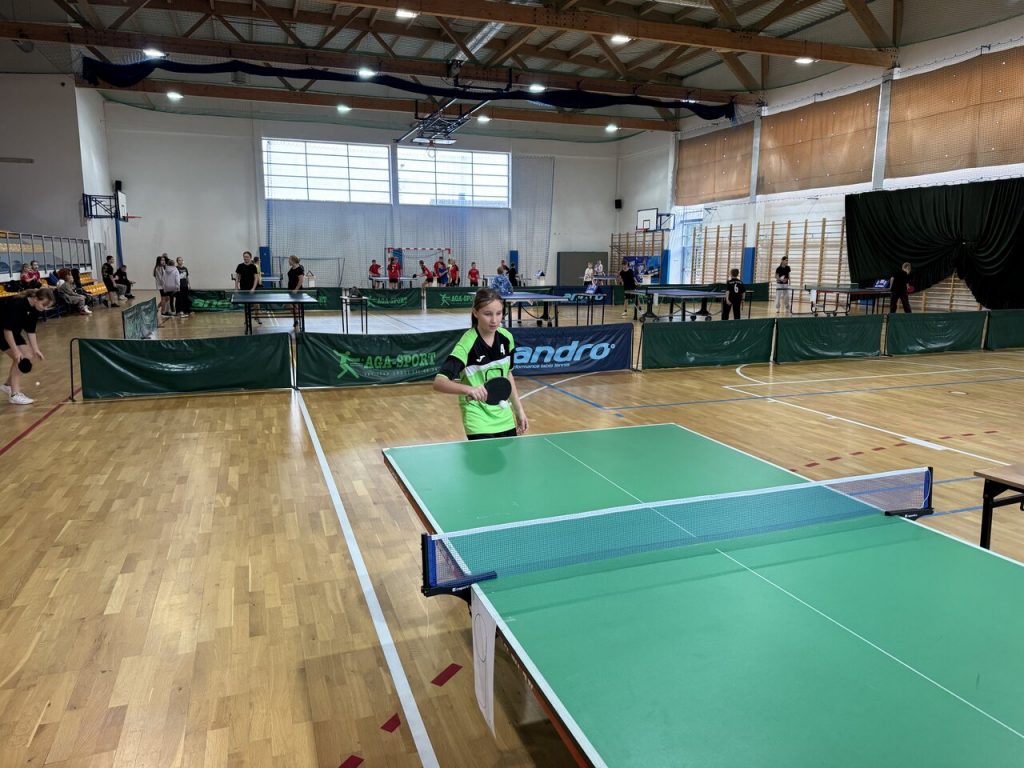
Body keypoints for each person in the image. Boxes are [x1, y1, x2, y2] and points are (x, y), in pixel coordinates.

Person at [433, 288, 528, 440]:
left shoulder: (506, 338)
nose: (494, 320)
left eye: (499, 313)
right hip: (477, 418)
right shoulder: (467, 344)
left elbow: (507, 374)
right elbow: (439, 382)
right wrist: (469, 389)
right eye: (488, 314)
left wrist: (519, 411)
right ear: (475, 313)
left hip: (504, 415)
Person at [1, 286, 55, 405]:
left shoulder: (35, 309)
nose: (45, 308)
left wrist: (36, 349)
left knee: (28, 355)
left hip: (13, 332)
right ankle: (14, 394)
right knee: (20, 358)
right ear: (36, 299)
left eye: (47, 306)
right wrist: (16, 351)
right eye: (44, 305)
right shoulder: (17, 304)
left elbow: (30, 330)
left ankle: (8, 385)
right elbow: (7, 330)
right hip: (3, 332)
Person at [286, 254, 305, 327]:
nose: (288, 261)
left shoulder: (299, 269)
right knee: (288, 305)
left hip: (297, 291)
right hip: (290, 290)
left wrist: (296, 289)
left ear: (293, 261)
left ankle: (296, 320)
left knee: (295, 305)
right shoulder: (292, 268)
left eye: (289, 260)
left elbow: (301, 280)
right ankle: (296, 317)